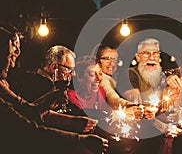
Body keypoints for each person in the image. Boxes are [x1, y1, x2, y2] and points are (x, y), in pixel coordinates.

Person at [0, 24, 108, 154]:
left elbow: (25, 109)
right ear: (54, 67)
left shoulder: (4, 84)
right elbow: (25, 127)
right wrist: (78, 139)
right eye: (10, 55)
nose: (12, 63)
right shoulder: (42, 84)